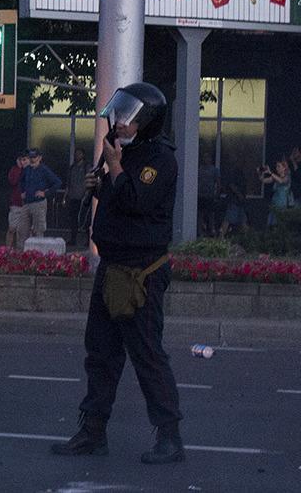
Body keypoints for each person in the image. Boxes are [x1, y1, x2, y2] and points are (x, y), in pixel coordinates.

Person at [52, 82, 185, 465]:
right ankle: (93, 431)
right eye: (120, 114)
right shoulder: (122, 151)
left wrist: (114, 167)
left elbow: (136, 202)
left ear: (147, 121)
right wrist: (99, 184)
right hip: (112, 265)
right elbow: (114, 199)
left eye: (129, 117)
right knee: (101, 352)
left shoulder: (159, 159)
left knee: (147, 354)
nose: (120, 122)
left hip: (140, 272)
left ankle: (170, 437)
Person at [19, 148, 62, 240]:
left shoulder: (44, 169)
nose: (32, 159)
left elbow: (58, 182)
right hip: (26, 203)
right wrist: (22, 192)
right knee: (22, 231)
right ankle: (22, 249)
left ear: (39, 158)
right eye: (30, 157)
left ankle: (37, 249)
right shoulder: (27, 169)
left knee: (38, 231)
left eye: (34, 157)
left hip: (38, 203)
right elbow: (21, 181)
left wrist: (46, 193)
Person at [66, 148, 89, 245]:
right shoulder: (72, 168)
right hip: (73, 197)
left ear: (83, 155)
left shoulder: (86, 167)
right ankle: (73, 239)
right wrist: (66, 196)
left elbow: (89, 181)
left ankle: (88, 240)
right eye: (76, 154)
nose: (77, 155)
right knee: (73, 219)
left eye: (79, 154)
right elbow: (68, 183)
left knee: (86, 219)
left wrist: (87, 194)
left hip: (84, 198)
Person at [7, 153, 30, 248]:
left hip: (28, 204)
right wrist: (21, 170)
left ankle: (21, 250)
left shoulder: (31, 170)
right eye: (20, 159)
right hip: (16, 203)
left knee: (24, 231)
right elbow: (12, 182)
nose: (22, 161)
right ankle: (7, 250)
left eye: (24, 159)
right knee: (12, 228)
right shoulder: (14, 170)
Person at [261, 159, 294, 227]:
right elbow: (263, 180)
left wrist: (270, 173)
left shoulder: (287, 177)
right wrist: (261, 172)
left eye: (279, 166)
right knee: (271, 225)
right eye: (276, 166)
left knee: (280, 224)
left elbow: (281, 181)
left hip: (282, 205)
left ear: (284, 168)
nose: (277, 168)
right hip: (274, 203)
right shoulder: (275, 177)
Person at [196, 152, 221, 237]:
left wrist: (217, 194)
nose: (206, 159)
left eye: (208, 157)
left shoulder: (214, 170)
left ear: (210, 159)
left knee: (211, 214)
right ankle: (200, 231)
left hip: (210, 195)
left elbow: (218, 183)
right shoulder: (199, 169)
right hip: (200, 195)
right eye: (204, 157)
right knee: (200, 214)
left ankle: (212, 230)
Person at [220, 168, 249, 238]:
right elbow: (232, 186)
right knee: (228, 219)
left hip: (240, 204)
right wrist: (239, 195)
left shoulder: (242, 180)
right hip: (233, 202)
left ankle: (248, 237)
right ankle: (221, 237)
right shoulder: (234, 179)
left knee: (243, 221)